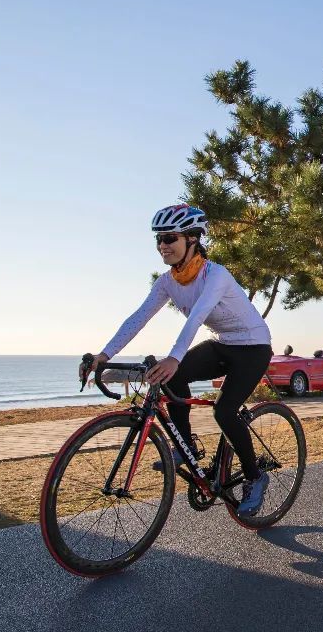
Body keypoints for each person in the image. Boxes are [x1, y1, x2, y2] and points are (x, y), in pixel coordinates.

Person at [82, 204, 274, 516]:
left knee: (225, 412)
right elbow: (138, 317)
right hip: (224, 344)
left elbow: (196, 317)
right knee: (172, 377)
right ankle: (187, 449)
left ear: (193, 239)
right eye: (158, 239)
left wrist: (174, 356)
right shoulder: (167, 281)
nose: (162, 246)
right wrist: (104, 355)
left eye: (169, 238)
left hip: (253, 348)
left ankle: (255, 477)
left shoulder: (216, 275)